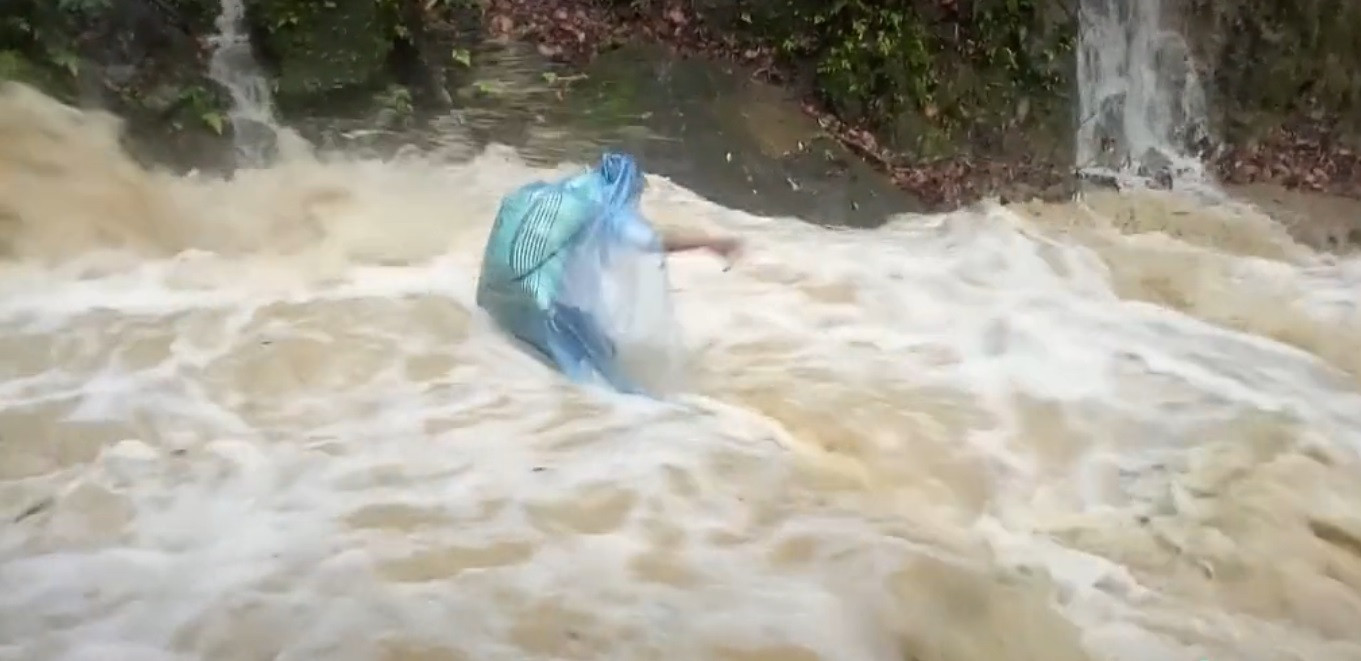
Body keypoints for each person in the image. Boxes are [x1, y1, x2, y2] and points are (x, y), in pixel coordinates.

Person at [475, 151, 740, 395]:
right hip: (540, 306)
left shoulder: (554, 195)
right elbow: (649, 240)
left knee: (592, 343)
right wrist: (712, 243)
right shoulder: (604, 208)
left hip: (498, 299)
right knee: (615, 389)